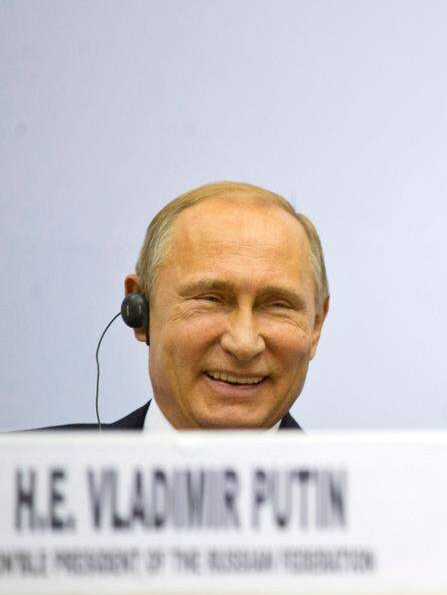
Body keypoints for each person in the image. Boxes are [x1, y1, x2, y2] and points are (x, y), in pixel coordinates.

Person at [46, 181, 329, 432]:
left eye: (277, 305)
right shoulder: (20, 479)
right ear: (142, 311)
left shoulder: (364, 492)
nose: (243, 344)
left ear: (316, 325)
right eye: (210, 299)